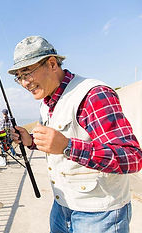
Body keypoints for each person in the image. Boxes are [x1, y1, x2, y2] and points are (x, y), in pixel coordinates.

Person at [8, 36, 142, 233]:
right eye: (19, 77)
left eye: (27, 73)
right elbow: (59, 139)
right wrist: (31, 140)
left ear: (52, 64)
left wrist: (67, 147)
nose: (24, 83)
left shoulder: (94, 95)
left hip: (100, 214)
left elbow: (131, 157)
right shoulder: (47, 102)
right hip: (62, 208)